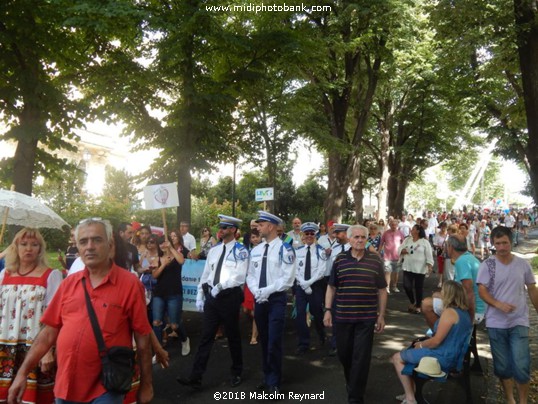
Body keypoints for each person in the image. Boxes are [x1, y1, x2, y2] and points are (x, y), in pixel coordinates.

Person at [7, 219, 153, 404]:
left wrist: (147, 384)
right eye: (83, 242)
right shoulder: (68, 283)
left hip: (107, 385)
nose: (90, 247)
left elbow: (142, 339)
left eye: (97, 240)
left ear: (109, 245)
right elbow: (48, 332)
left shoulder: (130, 284)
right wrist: (22, 374)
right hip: (66, 384)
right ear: (77, 247)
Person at [177, 215, 249, 389]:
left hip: (229, 297)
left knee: (232, 336)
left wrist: (221, 286)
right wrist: (200, 293)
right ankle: (196, 376)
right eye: (220, 227)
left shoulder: (241, 251)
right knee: (206, 337)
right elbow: (207, 274)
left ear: (232, 230)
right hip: (212, 299)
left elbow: (240, 275)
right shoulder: (215, 250)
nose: (220, 230)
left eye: (224, 228)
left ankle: (237, 371)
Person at [323, 225, 387, 404]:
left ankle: (355, 396)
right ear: (350, 239)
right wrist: (327, 310)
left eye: (363, 237)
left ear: (367, 240)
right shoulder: (339, 260)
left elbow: (382, 290)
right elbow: (331, 286)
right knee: (345, 355)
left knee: (361, 357)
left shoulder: (375, 261)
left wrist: (381, 315)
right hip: (342, 317)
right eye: (356, 237)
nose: (359, 240)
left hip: (366, 319)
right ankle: (352, 383)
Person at [0, 228, 63, 403]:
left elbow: (56, 317)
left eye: (34, 245)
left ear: (40, 249)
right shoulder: (4, 275)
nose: (29, 249)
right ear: (15, 247)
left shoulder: (51, 276)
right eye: (24, 244)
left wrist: (48, 351)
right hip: (5, 348)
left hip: (36, 348)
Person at [477, 226, 538, 404]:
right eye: (498, 243)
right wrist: (498, 304)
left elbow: (532, 289)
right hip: (496, 323)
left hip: (519, 320)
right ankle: (510, 399)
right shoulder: (488, 265)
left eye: (505, 243)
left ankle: (523, 401)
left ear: (511, 242)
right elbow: (482, 290)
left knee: (521, 365)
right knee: (503, 367)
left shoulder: (522, 264)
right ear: (493, 244)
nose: (502, 247)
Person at [391, 281, 473, 404]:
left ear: (449, 294)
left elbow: (436, 341)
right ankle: (411, 392)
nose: (441, 293)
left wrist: (421, 345)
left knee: (397, 358)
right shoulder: (464, 313)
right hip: (452, 355)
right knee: (410, 352)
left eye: (443, 291)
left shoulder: (450, 312)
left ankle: (410, 398)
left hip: (443, 356)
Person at [246, 211, 296, 395]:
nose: (257, 227)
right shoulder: (256, 250)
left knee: (274, 340)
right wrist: (256, 291)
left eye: (261, 224)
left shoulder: (285, 249)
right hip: (260, 299)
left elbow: (288, 278)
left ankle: (274, 381)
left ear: (271, 226)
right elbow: (250, 274)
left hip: (275, 299)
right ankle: (267, 377)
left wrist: (268, 290)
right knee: (264, 339)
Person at [152, 235, 190, 356]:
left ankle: (184, 340)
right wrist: (163, 264)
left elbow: (182, 261)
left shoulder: (176, 255)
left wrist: (171, 248)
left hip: (174, 293)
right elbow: (154, 275)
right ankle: (159, 350)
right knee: (156, 322)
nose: (163, 245)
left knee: (174, 324)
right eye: (160, 244)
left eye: (165, 243)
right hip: (159, 294)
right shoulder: (157, 258)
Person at [294, 222, 327, 355]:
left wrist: (309, 283)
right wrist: (303, 283)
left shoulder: (321, 251)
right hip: (301, 286)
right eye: (306, 233)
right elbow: (295, 269)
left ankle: (321, 334)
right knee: (300, 314)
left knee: (317, 312)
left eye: (311, 233)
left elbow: (321, 270)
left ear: (315, 235)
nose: (309, 236)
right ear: (303, 235)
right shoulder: (297, 251)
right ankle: (304, 343)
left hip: (316, 286)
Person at [398, 225, 433, 314]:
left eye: (413, 229)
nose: (411, 230)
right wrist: (402, 251)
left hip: (420, 268)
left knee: (418, 288)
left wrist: (429, 265)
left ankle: (418, 306)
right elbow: (400, 248)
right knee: (407, 286)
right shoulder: (407, 240)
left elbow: (429, 254)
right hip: (408, 266)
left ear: (418, 231)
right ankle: (413, 301)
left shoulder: (424, 242)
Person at [243, 228, 261, 345]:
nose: (254, 239)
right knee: (246, 310)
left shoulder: (264, 249)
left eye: (256, 237)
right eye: (252, 237)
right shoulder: (247, 251)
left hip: (259, 282)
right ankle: (259, 322)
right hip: (249, 282)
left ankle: (254, 335)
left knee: (255, 311)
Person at [379, 219, 405, 293]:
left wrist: (403, 252)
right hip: (387, 256)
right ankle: (387, 287)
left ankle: (394, 286)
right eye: (392, 224)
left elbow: (404, 244)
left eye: (395, 224)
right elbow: (381, 243)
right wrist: (379, 251)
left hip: (397, 256)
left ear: (397, 225)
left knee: (396, 272)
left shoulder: (400, 233)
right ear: (389, 225)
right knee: (387, 272)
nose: (394, 226)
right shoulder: (385, 233)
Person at [433, 222, 448, 289]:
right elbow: (434, 244)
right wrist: (439, 246)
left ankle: (447, 282)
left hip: (448, 252)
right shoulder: (437, 235)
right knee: (441, 267)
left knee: (447, 267)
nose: (443, 228)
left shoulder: (448, 235)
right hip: (440, 252)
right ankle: (440, 281)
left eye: (444, 227)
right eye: (442, 227)